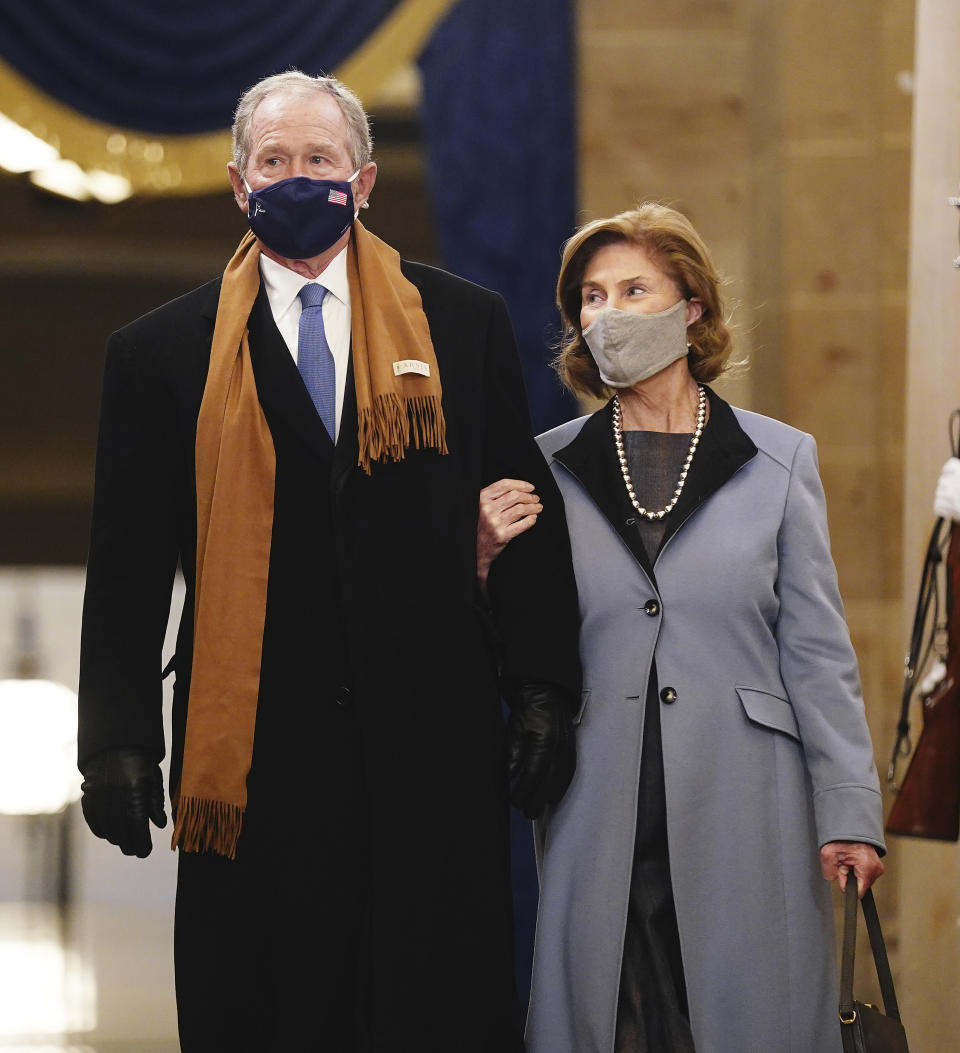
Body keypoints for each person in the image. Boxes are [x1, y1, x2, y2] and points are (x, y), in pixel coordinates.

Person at [76, 70, 582, 1053]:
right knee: (270, 1009)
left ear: (364, 179)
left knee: (429, 1008)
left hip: (429, 742)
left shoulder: (461, 324)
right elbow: (127, 567)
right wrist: (116, 741)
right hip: (258, 757)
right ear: (237, 182)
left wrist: (546, 692)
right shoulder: (159, 354)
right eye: (275, 161)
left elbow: (522, 517)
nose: (296, 178)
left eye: (319, 160)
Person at [479, 203, 886, 1052]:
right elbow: (512, 641)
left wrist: (849, 809)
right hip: (598, 789)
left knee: (744, 1015)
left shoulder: (780, 460)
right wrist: (480, 561)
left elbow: (817, 651)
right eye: (590, 297)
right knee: (610, 1016)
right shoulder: (543, 466)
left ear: (690, 306)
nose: (607, 312)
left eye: (633, 288)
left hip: (749, 794)